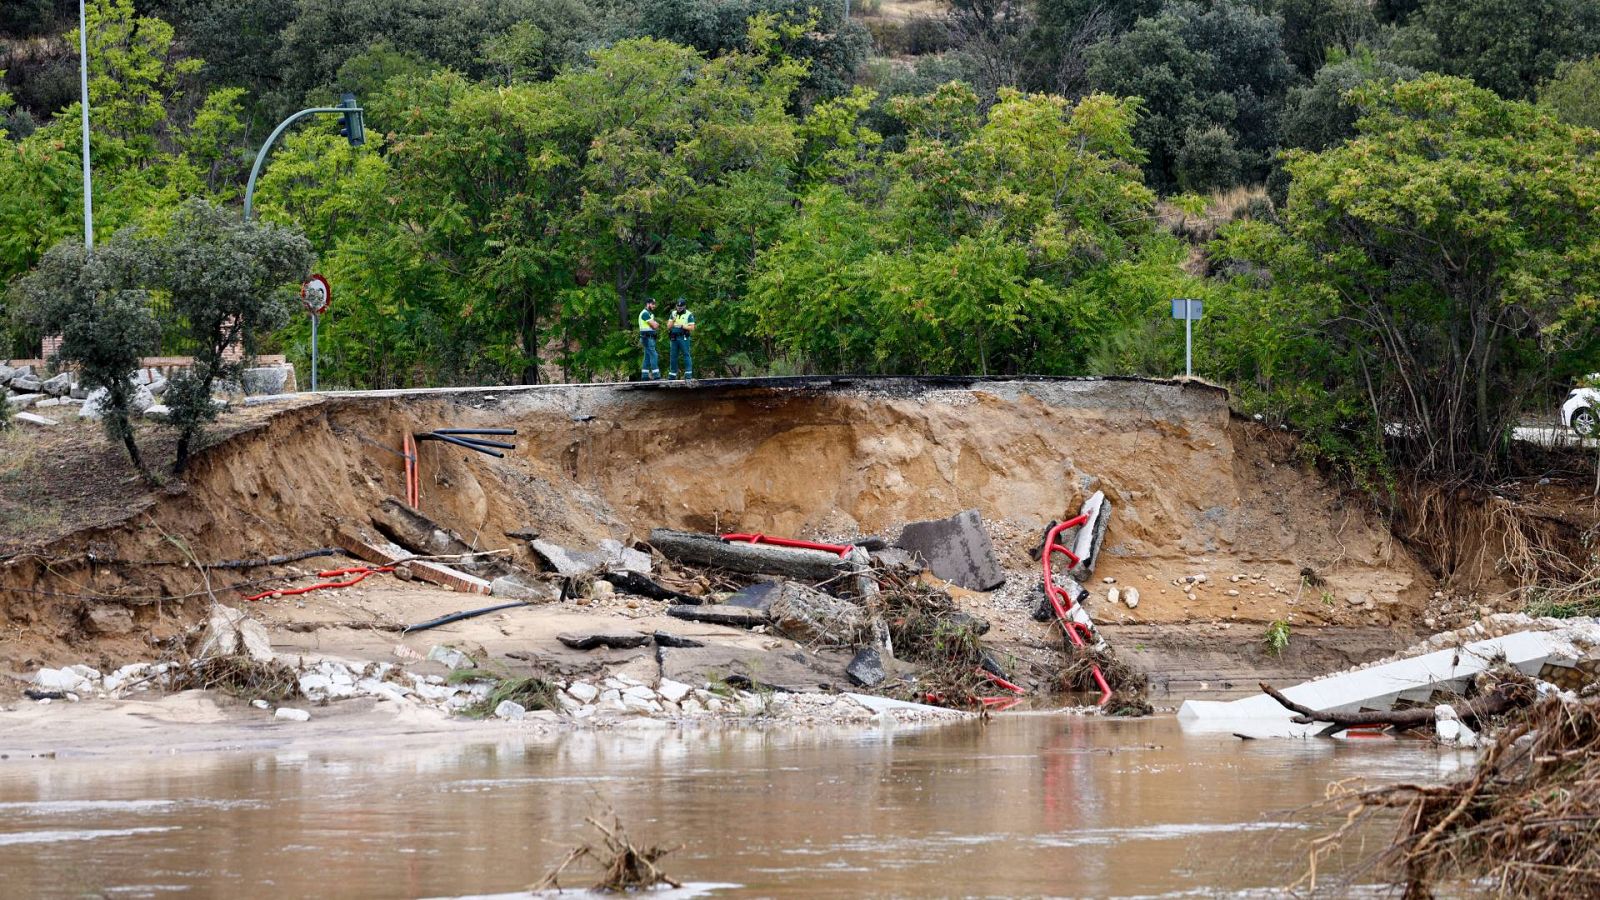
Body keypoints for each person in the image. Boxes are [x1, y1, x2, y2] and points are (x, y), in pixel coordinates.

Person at [666, 297, 695, 380]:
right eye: (678, 307)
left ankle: (688, 374)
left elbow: (692, 327)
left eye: (681, 307)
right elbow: (668, 326)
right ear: (676, 306)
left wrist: (682, 326)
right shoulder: (673, 313)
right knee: (673, 356)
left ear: (684, 306)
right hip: (674, 337)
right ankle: (672, 375)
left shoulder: (689, 314)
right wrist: (673, 320)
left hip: (683, 337)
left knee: (686, 354)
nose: (679, 309)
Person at [637, 298, 661, 380]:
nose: (654, 305)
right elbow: (655, 326)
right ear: (648, 304)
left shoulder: (649, 314)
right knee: (654, 355)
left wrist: (655, 324)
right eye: (652, 304)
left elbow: (654, 325)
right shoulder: (645, 313)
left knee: (647, 357)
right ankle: (656, 376)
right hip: (647, 338)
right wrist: (655, 324)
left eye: (654, 304)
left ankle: (644, 376)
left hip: (649, 338)